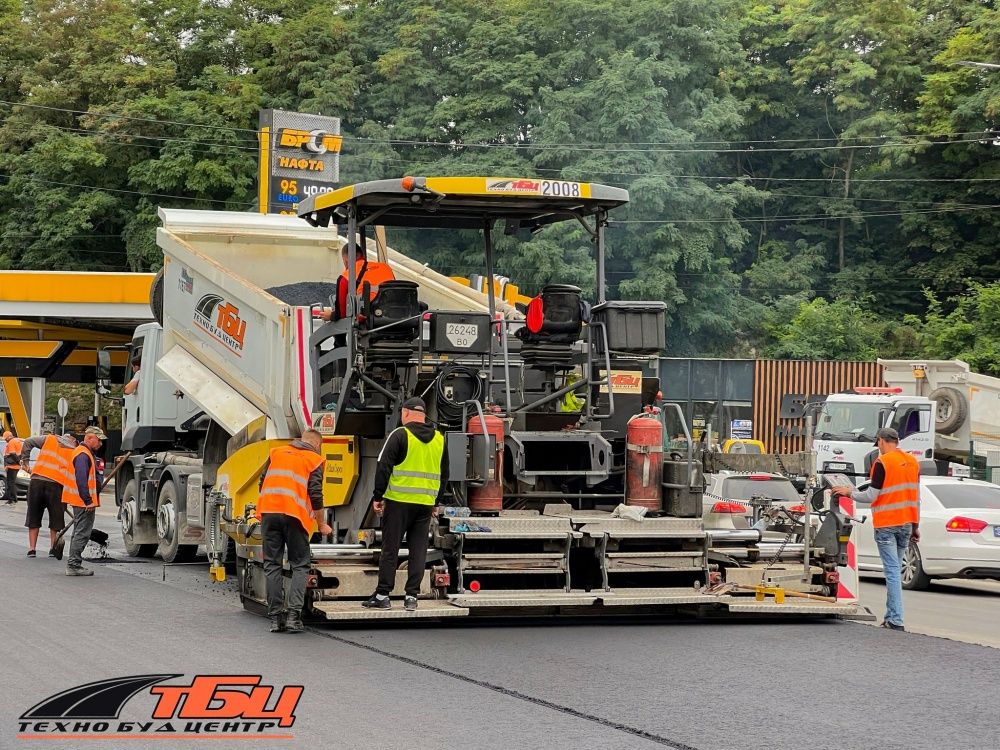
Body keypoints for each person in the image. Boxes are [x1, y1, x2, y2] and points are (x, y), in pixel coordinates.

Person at [363, 396, 448, 611]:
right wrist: (436, 502)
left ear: (406, 413)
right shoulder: (439, 439)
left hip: (399, 502)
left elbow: (383, 466)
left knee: (390, 549)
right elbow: (445, 474)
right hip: (425, 505)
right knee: (417, 550)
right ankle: (412, 597)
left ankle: (383, 595)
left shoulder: (400, 435)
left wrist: (378, 496)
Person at [833, 426, 920, 632]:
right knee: (895, 571)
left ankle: (896, 620)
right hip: (907, 524)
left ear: (881, 441)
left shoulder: (883, 462)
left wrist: (849, 492)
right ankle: (891, 617)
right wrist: (915, 526)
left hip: (887, 524)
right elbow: (916, 498)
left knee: (892, 572)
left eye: (878, 444)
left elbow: (871, 496)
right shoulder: (913, 462)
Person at [256, 428, 331, 633]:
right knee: (300, 564)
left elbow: (262, 483)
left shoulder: (276, 453)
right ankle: (293, 616)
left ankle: (275, 618)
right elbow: (315, 494)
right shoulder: (314, 459)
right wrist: (322, 524)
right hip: (294, 516)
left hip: (269, 513)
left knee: (272, 564)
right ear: (317, 445)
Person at [20, 432, 77, 557]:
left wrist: (25, 462)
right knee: (56, 518)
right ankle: (53, 548)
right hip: (56, 486)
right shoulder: (75, 450)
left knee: (33, 515)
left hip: (36, 482)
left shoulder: (50, 439)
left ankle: (32, 549)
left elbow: (28, 441)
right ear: (73, 440)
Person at [62, 426, 106, 576]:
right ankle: (73, 565)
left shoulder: (84, 453)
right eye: (99, 440)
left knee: (78, 532)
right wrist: (88, 501)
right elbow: (81, 480)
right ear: (90, 438)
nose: (100, 443)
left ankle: (73, 563)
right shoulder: (83, 455)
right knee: (82, 533)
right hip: (83, 502)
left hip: (80, 500)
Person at [319, 242, 395, 322]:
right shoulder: (386, 267)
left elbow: (342, 315)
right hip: (395, 315)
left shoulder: (345, 277)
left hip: (369, 320)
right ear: (362, 256)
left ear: (346, 260)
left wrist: (331, 316)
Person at [3, 431, 22, 505]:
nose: (5, 440)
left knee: (10, 483)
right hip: (16, 466)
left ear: (8, 437)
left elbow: (12, 453)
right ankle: (14, 499)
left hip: (11, 465)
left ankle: (12, 499)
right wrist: (19, 461)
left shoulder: (11, 442)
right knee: (12, 483)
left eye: (5, 438)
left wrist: (18, 461)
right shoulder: (18, 441)